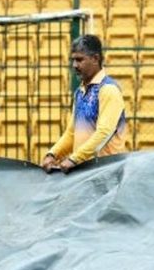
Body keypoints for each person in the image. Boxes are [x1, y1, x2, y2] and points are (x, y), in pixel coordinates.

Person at [43, 35, 128, 173]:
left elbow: (104, 133)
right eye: (73, 60)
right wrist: (52, 154)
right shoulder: (80, 92)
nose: (74, 65)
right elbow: (72, 133)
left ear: (95, 59)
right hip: (85, 172)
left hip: (107, 171)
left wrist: (74, 159)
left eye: (79, 60)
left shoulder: (108, 90)